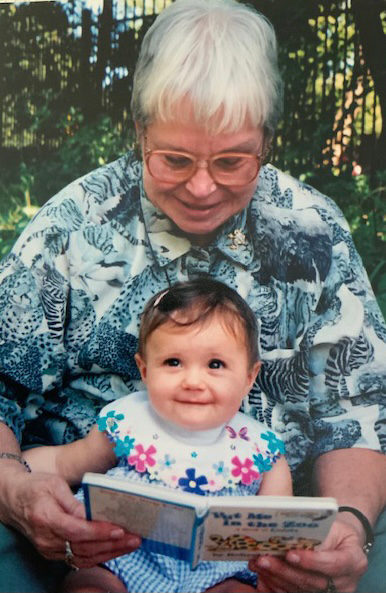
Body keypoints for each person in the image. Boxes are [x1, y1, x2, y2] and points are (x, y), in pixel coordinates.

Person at [0, 0, 384, 592]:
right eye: (173, 158)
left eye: (232, 161)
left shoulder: (314, 231)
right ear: (139, 131)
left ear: (268, 141)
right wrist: (16, 492)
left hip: (264, 550)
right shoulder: (71, 229)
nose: (202, 187)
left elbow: (359, 415)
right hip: (79, 539)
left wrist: (351, 528)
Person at [23, 278, 292, 593]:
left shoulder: (261, 450)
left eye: (215, 364)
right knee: (88, 586)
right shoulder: (127, 424)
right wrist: (18, 470)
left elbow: (279, 530)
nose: (193, 381)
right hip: (120, 558)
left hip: (218, 573)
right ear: (146, 369)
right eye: (173, 362)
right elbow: (62, 463)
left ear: (249, 378)